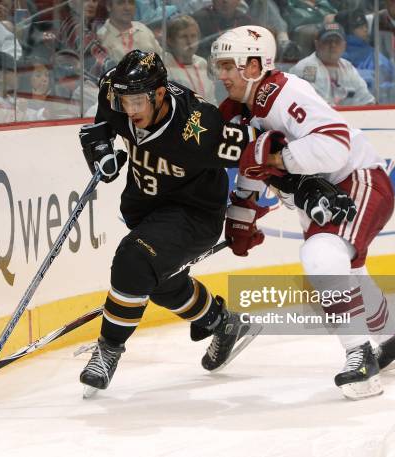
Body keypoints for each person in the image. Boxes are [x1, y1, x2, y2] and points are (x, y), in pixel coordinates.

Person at [211, 25, 395, 399]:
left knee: (321, 257)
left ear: (257, 64)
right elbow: (252, 166)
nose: (223, 75)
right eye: (220, 66)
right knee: (348, 272)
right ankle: (394, 341)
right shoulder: (238, 113)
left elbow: (335, 144)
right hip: (321, 195)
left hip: (356, 180)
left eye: (231, 65)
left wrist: (277, 157)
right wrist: (241, 218)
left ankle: (360, 357)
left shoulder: (285, 92)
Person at [75, 49, 265, 397]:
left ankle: (108, 350)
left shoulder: (201, 127)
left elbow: (263, 153)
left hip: (194, 214)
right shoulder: (112, 91)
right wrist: (102, 153)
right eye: (124, 101)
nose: (129, 112)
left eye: (137, 102)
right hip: (145, 208)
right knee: (158, 282)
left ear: (160, 94)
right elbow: (100, 128)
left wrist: (298, 190)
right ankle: (221, 322)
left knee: (134, 261)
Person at [290, 22, 375, 106]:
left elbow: (365, 98)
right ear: (317, 44)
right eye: (328, 41)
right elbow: (318, 106)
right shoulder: (307, 68)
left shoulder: (347, 66)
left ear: (344, 45)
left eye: (337, 41)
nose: (333, 45)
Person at [336, 9, 395, 100]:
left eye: (365, 25)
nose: (365, 29)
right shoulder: (334, 52)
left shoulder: (375, 57)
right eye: (359, 27)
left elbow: (387, 87)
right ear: (347, 30)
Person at [163, 15, 217, 105]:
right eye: (183, 36)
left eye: (193, 36)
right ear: (170, 40)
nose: (190, 42)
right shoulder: (164, 66)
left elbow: (212, 100)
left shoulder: (202, 63)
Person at [96, 0, 163, 64]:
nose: (127, 8)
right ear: (109, 6)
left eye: (131, 2)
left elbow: (162, 58)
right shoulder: (101, 38)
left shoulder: (143, 29)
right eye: (121, 3)